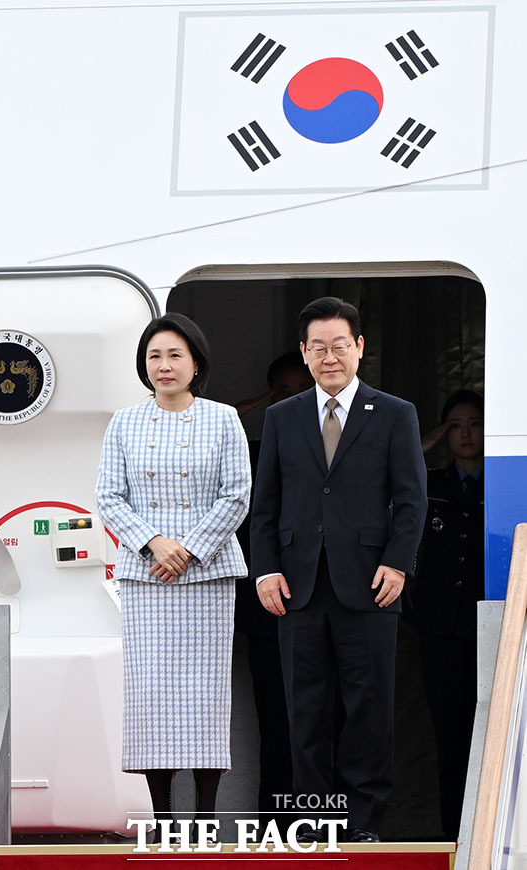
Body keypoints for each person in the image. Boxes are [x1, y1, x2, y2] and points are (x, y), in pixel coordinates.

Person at [249, 296, 427, 843]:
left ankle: (365, 826)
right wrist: (265, 571)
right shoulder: (281, 417)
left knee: (368, 711)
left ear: (360, 349)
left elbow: (412, 499)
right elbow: (267, 504)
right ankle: (314, 827)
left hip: (371, 585)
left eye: (340, 345)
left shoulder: (395, 413)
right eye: (319, 347)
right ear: (304, 353)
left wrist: (398, 564)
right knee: (305, 714)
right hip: (297, 587)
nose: (331, 356)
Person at [95, 312, 251, 840]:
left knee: (205, 701)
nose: (164, 366)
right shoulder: (123, 422)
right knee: (152, 700)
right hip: (146, 577)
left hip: (206, 578)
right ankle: (161, 823)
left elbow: (237, 495)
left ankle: (205, 820)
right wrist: (153, 543)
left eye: (175, 355)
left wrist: (189, 549)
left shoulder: (224, 418)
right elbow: (108, 497)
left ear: (196, 362)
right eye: (155, 356)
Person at [235, 352, 313, 835]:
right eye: (279, 391)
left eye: (296, 391)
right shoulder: (252, 450)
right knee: (276, 725)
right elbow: (195, 417)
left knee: (322, 722)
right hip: (267, 615)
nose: (289, 400)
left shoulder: (332, 446)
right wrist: (263, 404)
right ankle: (275, 830)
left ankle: (325, 825)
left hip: (325, 608)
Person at [411, 390, 484, 840]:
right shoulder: (429, 483)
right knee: (450, 733)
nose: (465, 433)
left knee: (495, 729)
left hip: (494, 619)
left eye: (474, 423)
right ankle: (455, 834)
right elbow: (384, 479)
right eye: (455, 424)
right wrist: (426, 443)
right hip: (439, 626)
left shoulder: (508, 481)